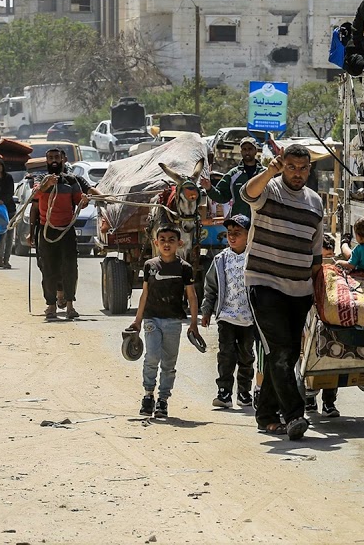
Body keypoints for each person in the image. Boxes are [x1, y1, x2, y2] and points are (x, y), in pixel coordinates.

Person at [241, 142, 326, 440]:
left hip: (299, 290)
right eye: (291, 167)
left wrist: (319, 294)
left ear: (310, 169)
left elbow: (316, 254)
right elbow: (248, 193)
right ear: (282, 164)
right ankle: (294, 415)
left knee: (287, 356)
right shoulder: (270, 189)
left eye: (303, 168)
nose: (297, 173)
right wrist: (269, 172)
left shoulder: (316, 202)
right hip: (265, 285)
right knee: (280, 351)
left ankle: (266, 416)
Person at [128, 224, 201, 420]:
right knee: (152, 357)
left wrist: (194, 323)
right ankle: (148, 395)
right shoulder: (150, 265)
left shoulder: (184, 268)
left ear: (179, 243)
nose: (166, 244)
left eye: (171, 240)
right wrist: (137, 321)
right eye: (163, 240)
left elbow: (192, 296)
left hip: (173, 321)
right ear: (156, 243)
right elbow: (145, 294)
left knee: (169, 363)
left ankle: (163, 399)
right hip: (152, 319)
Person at [200, 214, 256, 410]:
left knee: (247, 356)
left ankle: (244, 392)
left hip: (249, 319)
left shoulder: (254, 258)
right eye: (229, 233)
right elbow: (211, 288)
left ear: (249, 235)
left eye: (237, 233)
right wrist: (206, 311)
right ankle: (224, 392)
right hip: (226, 316)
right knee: (226, 355)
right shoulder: (220, 260)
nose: (232, 237)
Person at [28, 148, 89, 321]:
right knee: (48, 268)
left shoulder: (71, 180)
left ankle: (70, 306)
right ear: (46, 161)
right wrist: (47, 185)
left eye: (57, 157)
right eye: (50, 158)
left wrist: (84, 201)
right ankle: (51, 306)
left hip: (66, 230)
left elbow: (79, 202)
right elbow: (35, 197)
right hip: (46, 229)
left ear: (63, 159)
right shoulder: (40, 179)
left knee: (70, 267)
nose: (54, 160)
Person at [303, 234, 342, 418]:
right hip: (310, 321)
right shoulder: (309, 271)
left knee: (332, 360)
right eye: (323, 257)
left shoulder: (336, 271)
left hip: (330, 323)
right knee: (308, 357)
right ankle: (310, 398)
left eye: (330, 256)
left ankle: (329, 403)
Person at [201, 136, 265, 223]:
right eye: (244, 149)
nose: (247, 151)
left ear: (255, 151)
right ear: (241, 151)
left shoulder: (265, 173)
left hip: (261, 223)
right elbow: (222, 197)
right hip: (239, 224)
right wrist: (209, 188)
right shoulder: (233, 174)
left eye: (250, 149)